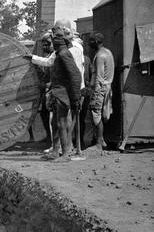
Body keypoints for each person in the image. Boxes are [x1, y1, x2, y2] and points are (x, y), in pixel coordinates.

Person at [49, 33, 82, 161]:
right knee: (56, 123)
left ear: (57, 44)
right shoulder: (60, 54)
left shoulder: (63, 54)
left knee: (61, 123)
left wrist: (75, 97)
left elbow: (75, 76)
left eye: (53, 43)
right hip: (59, 92)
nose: (52, 45)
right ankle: (56, 152)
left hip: (63, 94)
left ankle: (65, 154)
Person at [31, 32, 61, 155]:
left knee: (54, 120)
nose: (44, 47)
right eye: (43, 45)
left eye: (47, 44)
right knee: (47, 118)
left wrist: (47, 85)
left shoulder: (55, 56)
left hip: (53, 90)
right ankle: (51, 142)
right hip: (48, 91)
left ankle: (55, 145)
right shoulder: (50, 56)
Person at [87, 32, 115, 151]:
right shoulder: (108, 52)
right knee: (100, 115)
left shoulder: (100, 56)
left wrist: (95, 96)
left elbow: (99, 77)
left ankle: (99, 143)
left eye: (91, 41)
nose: (89, 44)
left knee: (96, 114)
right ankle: (100, 140)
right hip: (107, 87)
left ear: (96, 42)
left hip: (100, 89)